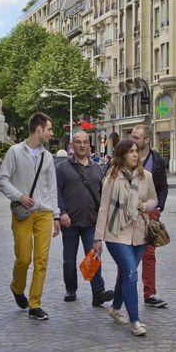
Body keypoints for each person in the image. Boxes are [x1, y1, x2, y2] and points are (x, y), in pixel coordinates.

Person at [0, 112, 61, 321]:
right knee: (23, 258)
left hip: (44, 213)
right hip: (23, 214)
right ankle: (17, 287)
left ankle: (35, 304)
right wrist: (19, 196)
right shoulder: (15, 152)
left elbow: (52, 188)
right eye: (49, 129)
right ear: (39, 129)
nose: (51, 133)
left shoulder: (47, 156)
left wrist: (56, 215)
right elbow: (3, 179)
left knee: (41, 260)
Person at [93, 137, 158, 336]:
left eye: (137, 151)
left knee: (125, 273)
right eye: (130, 151)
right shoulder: (111, 179)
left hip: (139, 233)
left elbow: (154, 198)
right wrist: (97, 238)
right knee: (131, 272)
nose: (135, 155)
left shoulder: (146, 176)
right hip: (116, 232)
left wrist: (146, 206)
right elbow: (104, 208)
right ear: (121, 156)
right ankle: (135, 321)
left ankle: (115, 308)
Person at [56, 131, 115, 307]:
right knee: (69, 259)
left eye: (85, 142)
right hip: (70, 221)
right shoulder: (62, 168)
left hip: (91, 221)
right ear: (71, 146)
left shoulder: (97, 168)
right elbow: (57, 193)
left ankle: (98, 292)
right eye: (78, 142)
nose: (82, 145)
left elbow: (103, 195)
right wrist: (62, 213)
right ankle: (71, 289)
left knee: (93, 256)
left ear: (89, 145)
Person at [128, 124, 169, 309]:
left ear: (147, 140)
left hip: (149, 212)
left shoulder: (157, 160)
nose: (132, 139)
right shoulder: (124, 156)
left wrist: (158, 207)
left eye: (136, 137)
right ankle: (124, 290)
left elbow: (162, 187)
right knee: (127, 254)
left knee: (149, 253)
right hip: (127, 213)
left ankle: (149, 292)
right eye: (131, 136)